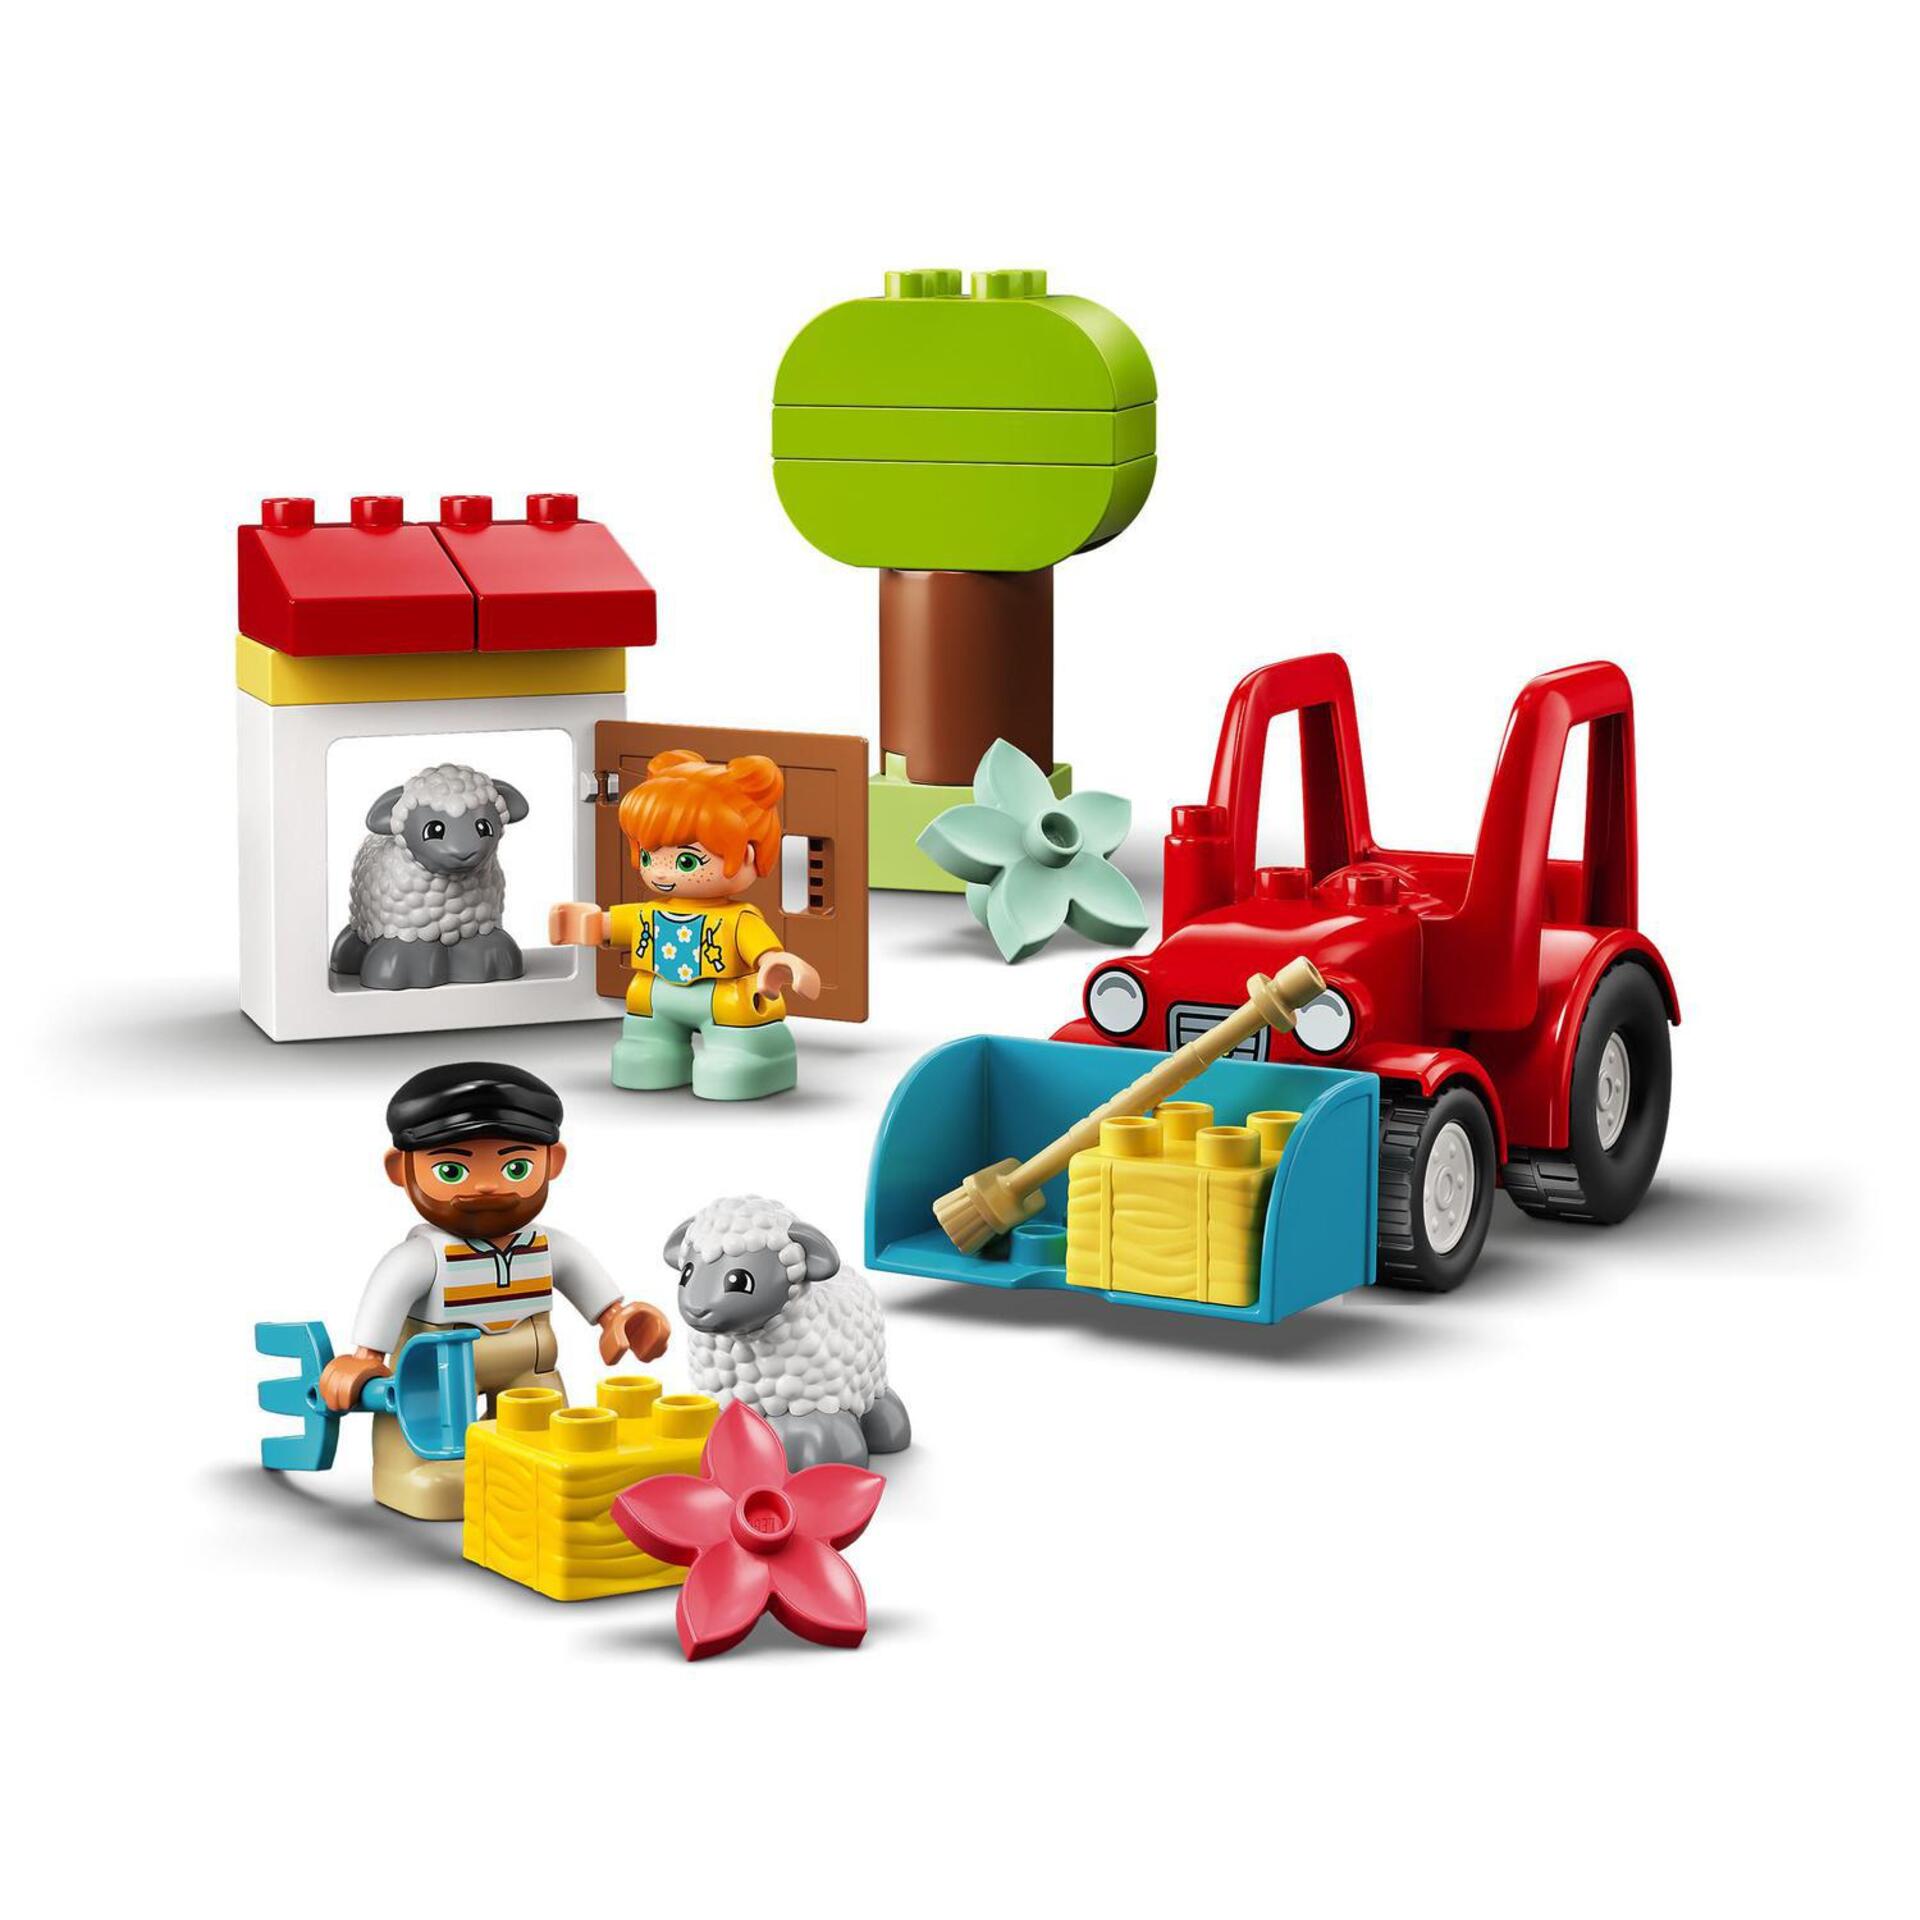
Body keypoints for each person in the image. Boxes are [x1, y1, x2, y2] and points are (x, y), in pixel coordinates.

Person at [317, 1061, 671, 1520]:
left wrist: (617, 1318)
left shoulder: (548, 1246)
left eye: (515, 1167)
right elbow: (388, 1295)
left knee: (545, 1434)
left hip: (531, 1365)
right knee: (419, 1421)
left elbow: (590, 1287)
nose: (487, 1186)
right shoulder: (423, 1256)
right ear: (400, 1170)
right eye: (451, 1171)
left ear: (553, 1162)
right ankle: (404, 1469)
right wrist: (367, 1357)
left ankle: (529, 1467)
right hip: (439, 1364)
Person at [549, 750, 820, 1100]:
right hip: (657, 999)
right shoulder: (649, 912)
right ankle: (653, 1048)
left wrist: (776, 963)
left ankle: (749, 1057)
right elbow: (616, 925)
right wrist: (590, 923)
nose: (662, 872)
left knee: (734, 1045)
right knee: (643, 1043)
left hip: (723, 1001)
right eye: (648, 856)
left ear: (748, 854)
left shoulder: (739, 919)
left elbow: (766, 952)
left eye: (687, 861)